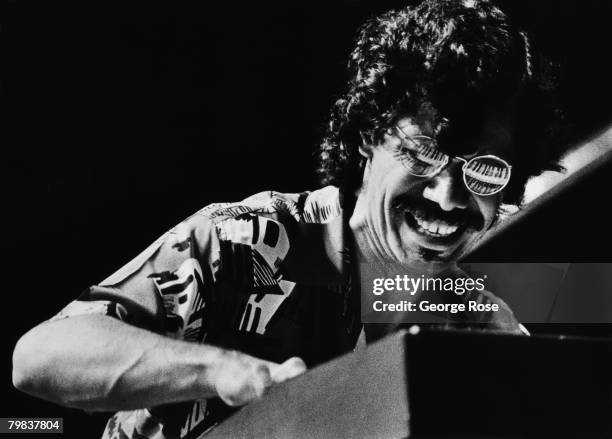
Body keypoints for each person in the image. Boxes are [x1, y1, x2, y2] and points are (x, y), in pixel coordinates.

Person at [12, 1, 568, 437]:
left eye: (486, 171)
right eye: (422, 154)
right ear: (369, 137)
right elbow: (40, 356)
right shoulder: (250, 241)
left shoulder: (476, 322)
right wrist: (227, 373)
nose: (448, 197)